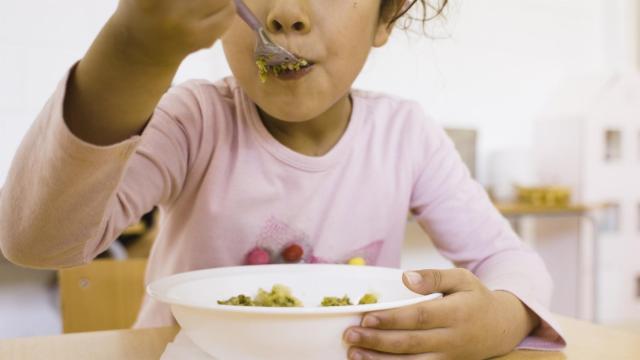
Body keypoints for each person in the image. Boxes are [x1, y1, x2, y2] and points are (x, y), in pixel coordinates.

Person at [0, 0, 565, 358]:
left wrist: (503, 317)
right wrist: (130, 55)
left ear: (386, 15)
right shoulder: (195, 121)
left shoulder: (405, 135)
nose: (285, 13)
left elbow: (510, 261)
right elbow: (37, 241)